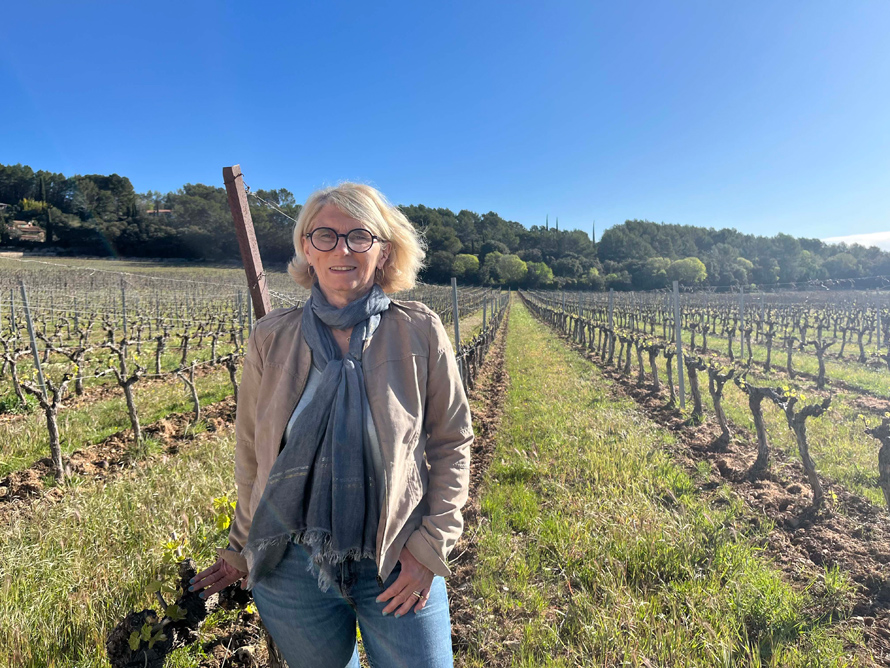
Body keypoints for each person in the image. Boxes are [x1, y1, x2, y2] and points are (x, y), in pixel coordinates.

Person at [189, 182, 473, 667]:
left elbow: (452, 442)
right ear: (306, 247)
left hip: (397, 556)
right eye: (325, 236)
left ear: (383, 250)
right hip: (293, 569)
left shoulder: (419, 329)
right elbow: (252, 455)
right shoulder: (271, 337)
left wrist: (430, 548)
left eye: (359, 236)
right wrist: (240, 545)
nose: (342, 249)